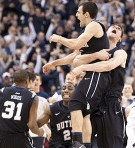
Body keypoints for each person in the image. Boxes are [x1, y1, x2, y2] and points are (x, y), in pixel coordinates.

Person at [43, 1, 110, 147]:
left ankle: (77, 144)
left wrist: (58, 38)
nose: (76, 15)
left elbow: (75, 45)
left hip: (98, 74)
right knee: (83, 110)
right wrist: (53, 64)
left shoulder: (94, 25)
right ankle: (84, 145)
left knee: (75, 102)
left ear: (86, 14)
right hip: (91, 75)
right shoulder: (86, 32)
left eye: (78, 12)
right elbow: (72, 56)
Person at [71, 24, 127, 148]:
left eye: (119, 29)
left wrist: (84, 67)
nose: (116, 28)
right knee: (85, 144)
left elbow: (108, 66)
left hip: (111, 105)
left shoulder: (120, 53)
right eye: (113, 27)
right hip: (93, 103)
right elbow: (76, 60)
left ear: (120, 39)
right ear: (105, 33)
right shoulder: (96, 52)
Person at [0, 69, 43, 148]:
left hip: (1, 138)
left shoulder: (0, 92)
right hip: (20, 139)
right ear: (27, 80)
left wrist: (4, 124)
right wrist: (40, 132)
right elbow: (32, 125)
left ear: (13, 80)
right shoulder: (33, 97)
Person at [37, 82, 76, 148]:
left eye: (69, 89)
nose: (66, 90)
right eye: (63, 88)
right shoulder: (53, 108)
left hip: (74, 144)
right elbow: (37, 124)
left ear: (76, 93)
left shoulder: (79, 108)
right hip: (57, 145)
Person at [27, 72, 51, 148]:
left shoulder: (44, 97)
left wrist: (46, 128)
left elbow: (47, 117)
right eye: (34, 80)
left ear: (40, 82)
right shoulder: (27, 95)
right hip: (27, 130)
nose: (36, 82)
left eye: (37, 80)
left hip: (39, 130)